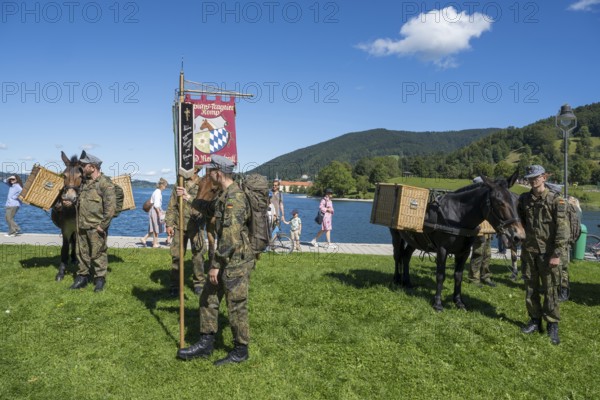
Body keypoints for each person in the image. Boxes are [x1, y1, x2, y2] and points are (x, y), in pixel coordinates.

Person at [177, 155, 255, 366]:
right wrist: (188, 198)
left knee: (236, 305)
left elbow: (229, 237)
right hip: (227, 258)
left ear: (218, 173)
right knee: (208, 298)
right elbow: (211, 210)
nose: (207, 174)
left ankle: (240, 350)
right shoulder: (224, 196)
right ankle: (206, 342)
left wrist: (215, 266)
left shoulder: (234, 199)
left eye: (210, 171)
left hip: (235, 261)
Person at [517, 165, 569, 345]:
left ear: (544, 178)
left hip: (549, 253)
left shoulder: (555, 200)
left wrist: (557, 254)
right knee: (530, 288)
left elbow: (563, 230)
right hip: (529, 252)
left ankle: (552, 324)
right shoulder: (524, 200)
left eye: (536, 177)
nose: (533, 180)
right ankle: (534, 320)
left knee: (550, 289)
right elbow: (520, 222)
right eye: (530, 178)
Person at [70, 151, 116, 292]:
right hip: (82, 225)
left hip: (96, 227)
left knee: (98, 253)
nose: (81, 168)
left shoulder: (104, 184)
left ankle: (99, 279)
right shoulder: (84, 183)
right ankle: (82, 277)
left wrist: (103, 226)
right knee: (81, 252)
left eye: (84, 165)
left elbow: (110, 207)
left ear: (93, 167)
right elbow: (81, 201)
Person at [165, 169, 207, 297]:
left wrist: (188, 196)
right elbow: (172, 205)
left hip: (196, 225)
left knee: (198, 256)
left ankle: (199, 283)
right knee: (177, 256)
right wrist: (169, 223)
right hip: (179, 225)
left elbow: (204, 205)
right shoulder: (179, 182)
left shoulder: (202, 183)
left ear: (196, 169)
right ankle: (175, 285)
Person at [141, 178, 168, 248]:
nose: (165, 187)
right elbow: (156, 205)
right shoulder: (158, 192)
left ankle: (145, 239)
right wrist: (159, 213)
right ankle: (155, 244)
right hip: (155, 210)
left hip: (154, 209)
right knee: (156, 227)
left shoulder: (156, 191)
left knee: (154, 227)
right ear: (162, 185)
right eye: (165, 186)